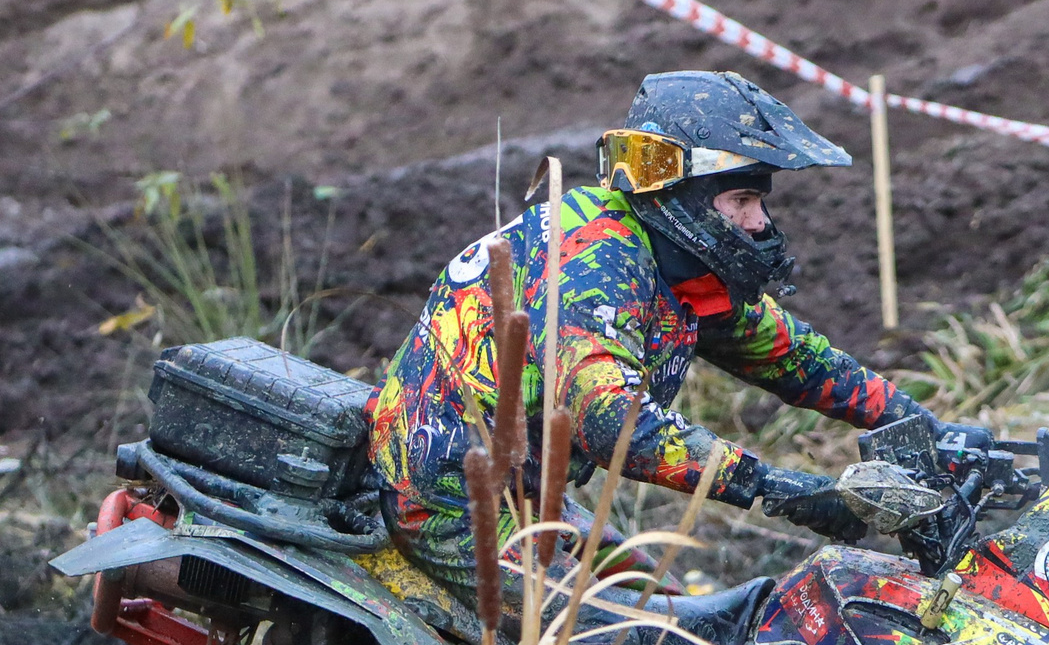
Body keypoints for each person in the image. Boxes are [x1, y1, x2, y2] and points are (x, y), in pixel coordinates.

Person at [367, 70, 940, 606]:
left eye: (759, 201)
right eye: (742, 201)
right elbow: (612, 421)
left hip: (529, 494)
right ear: (681, 196)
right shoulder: (596, 261)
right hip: (451, 505)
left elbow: (788, 356)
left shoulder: (672, 260)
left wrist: (919, 424)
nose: (759, 221)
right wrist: (775, 487)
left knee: (665, 604)